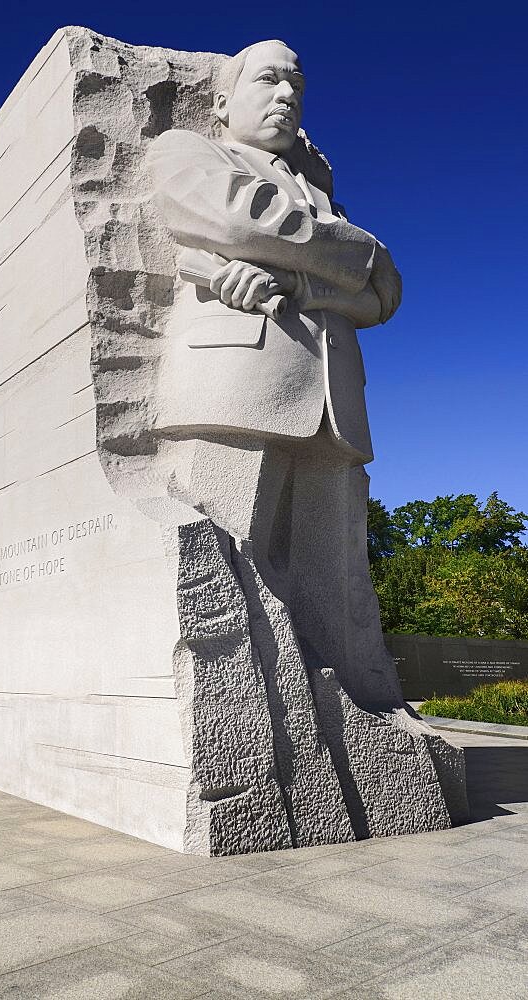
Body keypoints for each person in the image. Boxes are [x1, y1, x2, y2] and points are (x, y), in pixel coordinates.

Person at [146, 39, 405, 708]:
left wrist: (301, 279)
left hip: (333, 399)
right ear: (224, 100)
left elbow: (384, 295)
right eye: (268, 80)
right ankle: (236, 715)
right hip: (234, 387)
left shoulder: (322, 198)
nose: (287, 95)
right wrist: (357, 252)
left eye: (296, 84)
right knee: (226, 566)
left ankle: (361, 710)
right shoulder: (190, 150)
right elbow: (238, 218)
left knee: (337, 579)